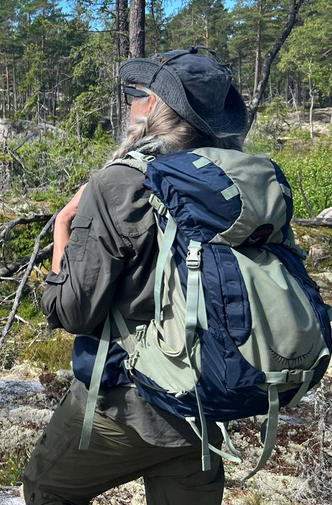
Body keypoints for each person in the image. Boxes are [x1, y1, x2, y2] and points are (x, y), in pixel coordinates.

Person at [22, 49, 248, 505]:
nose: (129, 103)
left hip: (127, 404)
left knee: (46, 489)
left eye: (135, 92)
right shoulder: (234, 180)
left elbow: (73, 311)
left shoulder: (120, 184)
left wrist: (64, 225)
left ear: (154, 106)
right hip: (207, 402)